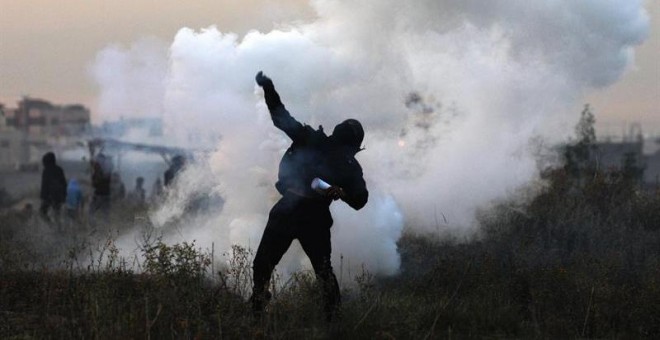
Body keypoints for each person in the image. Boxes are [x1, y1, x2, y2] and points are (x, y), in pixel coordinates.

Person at [251, 71, 369, 320]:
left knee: (263, 265)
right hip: (313, 217)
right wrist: (344, 193)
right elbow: (360, 201)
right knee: (324, 272)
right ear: (355, 145)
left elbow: (280, 116)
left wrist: (268, 87)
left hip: (288, 210)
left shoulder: (310, 138)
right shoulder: (349, 164)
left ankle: (257, 311)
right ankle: (333, 320)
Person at [39, 152, 67, 225]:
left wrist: (43, 196)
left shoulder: (46, 171)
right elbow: (64, 184)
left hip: (49, 196)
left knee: (42, 212)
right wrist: (64, 196)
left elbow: (44, 184)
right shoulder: (59, 170)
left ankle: (51, 225)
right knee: (57, 214)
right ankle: (58, 230)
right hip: (59, 196)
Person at [90, 153, 112, 218]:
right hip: (107, 195)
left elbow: (95, 184)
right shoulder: (107, 170)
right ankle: (105, 227)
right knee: (105, 214)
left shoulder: (98, 170)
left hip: (99, 195)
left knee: (91, 212)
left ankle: (93, 227)